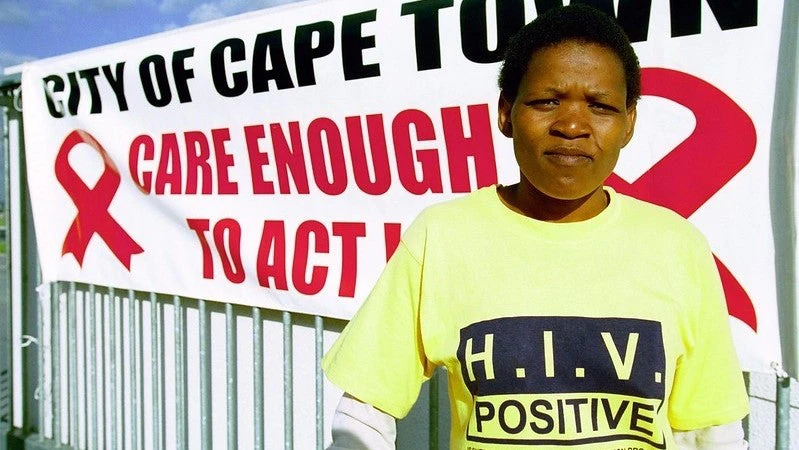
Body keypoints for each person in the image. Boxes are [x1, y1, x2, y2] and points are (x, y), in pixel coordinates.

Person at [322, 4, 749, 449]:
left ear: (629, 123)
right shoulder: (442, 237)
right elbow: (362, 418)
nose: (571, 125)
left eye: (600, 106)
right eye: (547, 101)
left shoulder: (677, 247)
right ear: (506, 112)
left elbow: (712, 432)